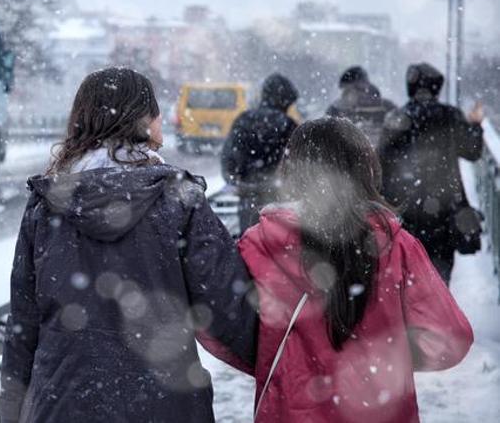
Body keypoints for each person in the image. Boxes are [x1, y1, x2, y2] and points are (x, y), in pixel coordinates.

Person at [0, 67, 257, 423]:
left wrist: (11, 413)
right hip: (166, 403)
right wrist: (294, 363)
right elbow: (230, 309)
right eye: (156, 113)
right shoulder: (178, 200)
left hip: (64, 404)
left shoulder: (47, 206)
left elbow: (23, 326)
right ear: (145, 123)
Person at [200, 117, 473, 423]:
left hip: (292, 411)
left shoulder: (259, 244)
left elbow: (217, 327)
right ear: (365, 169)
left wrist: (277, 363)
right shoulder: (396, 245)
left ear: (292, 172)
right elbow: (452, 338)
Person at [377, 63, 484, 284]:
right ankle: (437, 314)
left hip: (406, 212)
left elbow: (382, 165)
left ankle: (413, 314)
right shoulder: (450, 116)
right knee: (440, 277)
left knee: (408, 278)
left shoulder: (397, 118)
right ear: (437, 88)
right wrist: (475, 125)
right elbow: (472, 151)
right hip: (445, 211)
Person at [221, 73, 298, 233]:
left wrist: (238, 183)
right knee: (278, 248)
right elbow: (296, 164)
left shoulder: (243, 119)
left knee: (250, 245)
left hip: (247, 198)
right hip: (278, 198)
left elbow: (228, 159)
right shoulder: (288, 125)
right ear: (285, 100)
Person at [326, 65, 396, 146]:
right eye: (347, 90)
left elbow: (397, 135)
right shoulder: (336, 109)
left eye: (354, 89)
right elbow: (328, 136)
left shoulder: (385, 106)